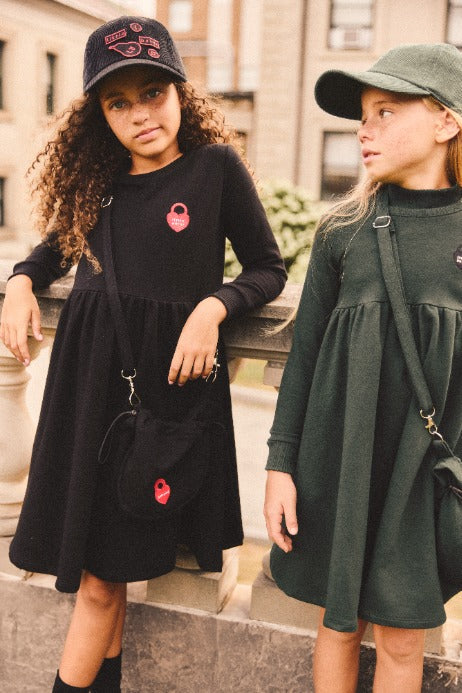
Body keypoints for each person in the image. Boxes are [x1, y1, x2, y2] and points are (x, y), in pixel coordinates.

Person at [0, 16, 287, 692]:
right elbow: (50, 253)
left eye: (153, 92)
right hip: (89, 400)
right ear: (101, 115)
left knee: (104, 581)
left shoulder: (215, 170)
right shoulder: (96, 186)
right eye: (118, 102)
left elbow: (267, 268)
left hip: (164, 400)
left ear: (182, 93)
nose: (140, 113)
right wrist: (18, 283)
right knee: (107, 579)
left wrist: (213, 308)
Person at [264, 43, 462, 692]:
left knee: (404, 637)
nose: (364, 128)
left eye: (385, 110)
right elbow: (306, 356)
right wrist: (280, 463)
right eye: (362, 115)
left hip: (425, 477)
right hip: (339, 464)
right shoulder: (341, 231)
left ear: (446, 121)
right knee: (337, 623)